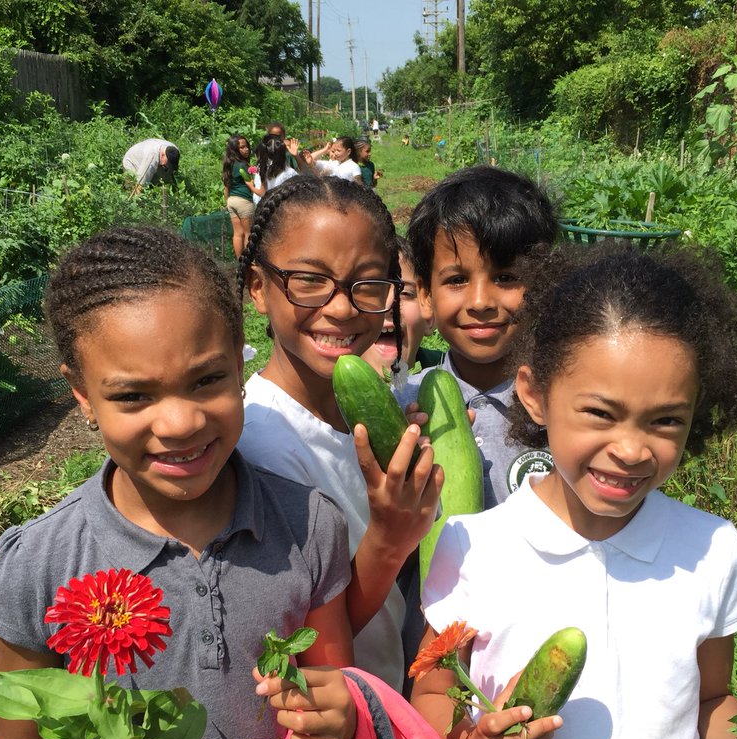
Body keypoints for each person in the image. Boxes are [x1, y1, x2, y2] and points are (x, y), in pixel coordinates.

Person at [410, 241, 737, 739]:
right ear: (535, 395)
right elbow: (430, 696)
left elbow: (710, 699)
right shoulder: (472, 545)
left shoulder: (713, 550)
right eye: (600, 413)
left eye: (664, 422)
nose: (630, 449)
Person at [0, 225, 357, 739]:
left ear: (240, 363)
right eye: (134, 396)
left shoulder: (309, 527)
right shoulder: (41, 561)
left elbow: (334, 690)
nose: (181, 422)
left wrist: (339, 717)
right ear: (81, 393)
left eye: (208, 379)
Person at [235, 175, 443, 690]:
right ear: (258, 288)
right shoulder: (261, 445)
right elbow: (311, 641)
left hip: (386, 701)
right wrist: (390, 539)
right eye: (310, 279)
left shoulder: (363, 408)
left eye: (369, 283)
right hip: (334, 730)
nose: (343, 307)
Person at [400, 165, 560, 510]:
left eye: (505, 277)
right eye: (456, 280)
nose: (480, 302)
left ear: (543, 285)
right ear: (426, 295)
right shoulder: (403, 408)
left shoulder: (565, 406)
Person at [361, 236, 442, 377]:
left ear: (430, 318)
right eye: (372, 289)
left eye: (405, 293)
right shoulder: (319, 390)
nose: (390, 305)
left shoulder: (457, 376)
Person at [223, 134, 263, 258]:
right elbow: (251, 185)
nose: (246, 149)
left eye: (246, 146)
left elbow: (226, 187)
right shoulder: (242, 166)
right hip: (243, 202)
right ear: (235, 150)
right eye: (242, 147)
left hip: (231, 201)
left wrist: (226, 202)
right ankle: (248, 262)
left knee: (237, 233)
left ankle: (239, 261)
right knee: (248, 233)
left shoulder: (229, 165)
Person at [252, 133, 299, 206]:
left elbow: (258, 197)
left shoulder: (261, 168)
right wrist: (296, 156)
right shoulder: (290, 172)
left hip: (261, 210)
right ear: (283, 153)